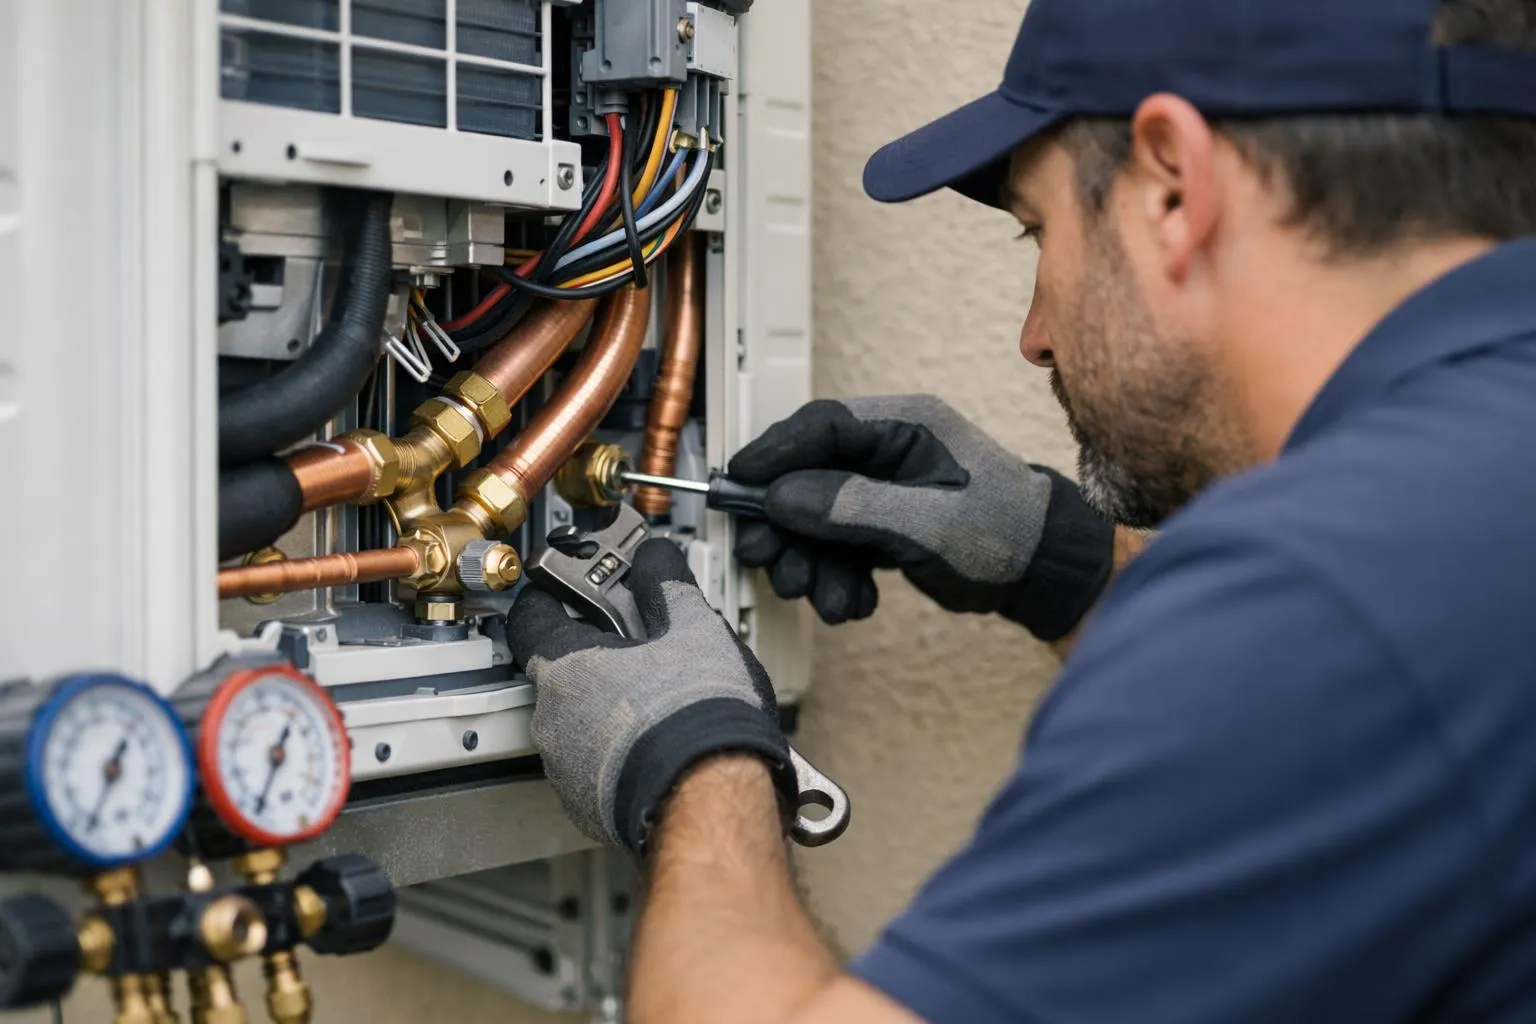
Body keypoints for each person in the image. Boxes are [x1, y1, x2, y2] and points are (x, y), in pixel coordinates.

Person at [504, 0, 1536, 1019]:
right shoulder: (1460, 509)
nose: (1035, 336)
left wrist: (696, 759)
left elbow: (1334, 645)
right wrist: (1069, 564)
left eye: (1038, 230)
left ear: (1174, 184)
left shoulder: (1328, 598)